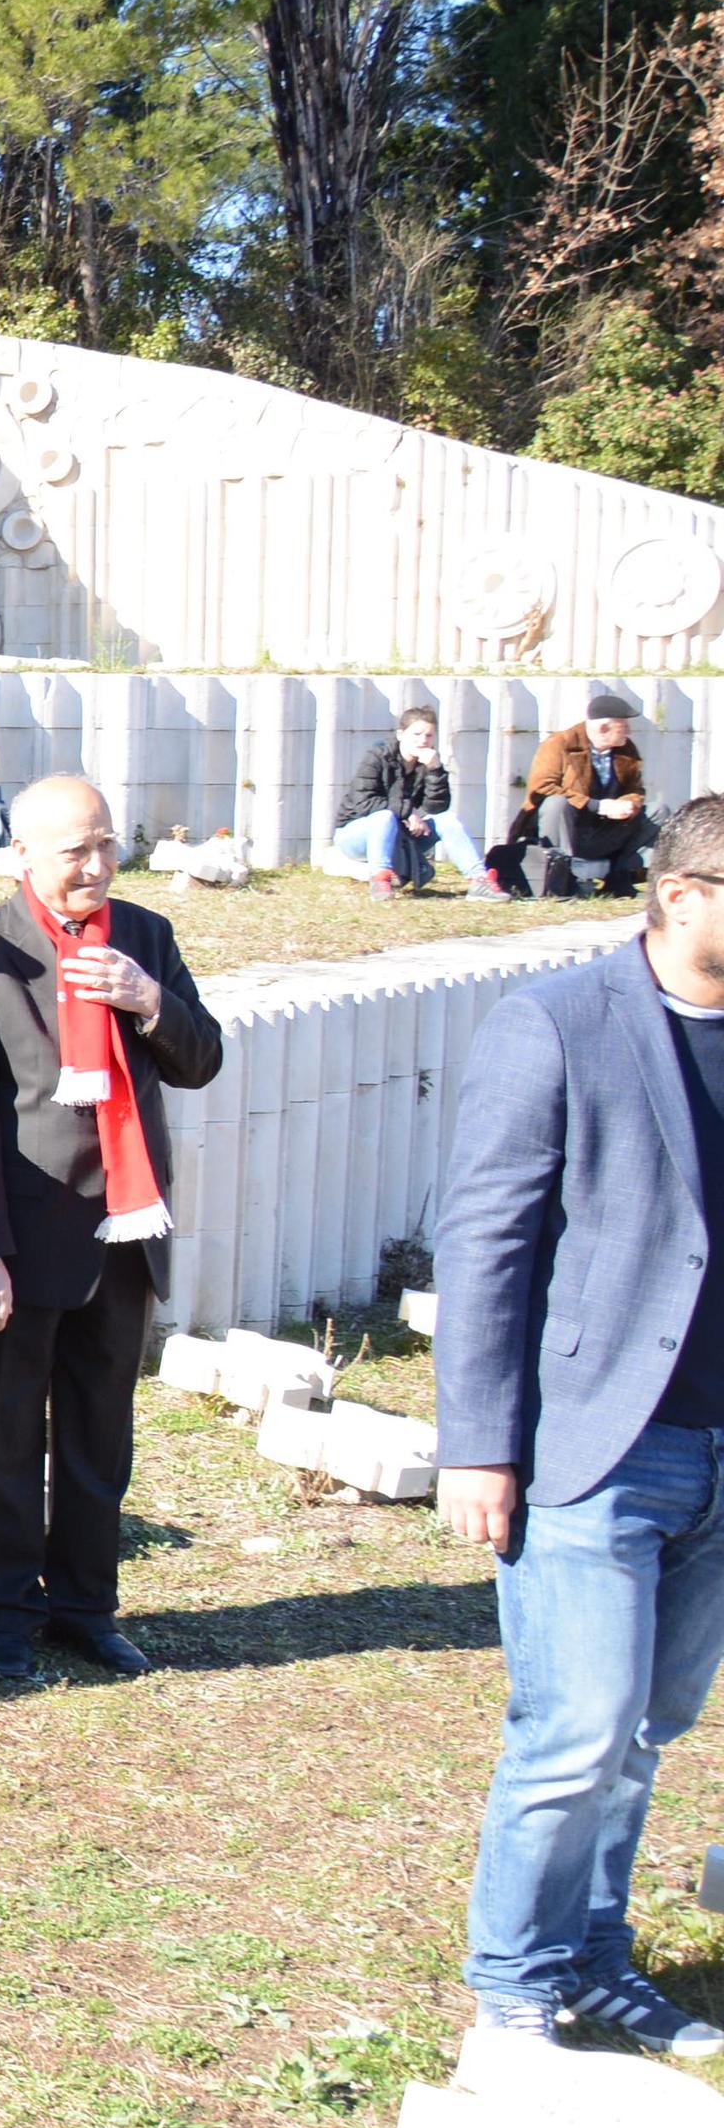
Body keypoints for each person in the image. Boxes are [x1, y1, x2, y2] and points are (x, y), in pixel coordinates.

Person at [434, 792, 724, 2057]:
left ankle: (596, 1956)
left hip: (720, 1453)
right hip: (596, 1446)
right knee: (577, 1727)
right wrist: (479, 1443)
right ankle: (511, 1979)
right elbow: (487, 1241)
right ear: (681, 894)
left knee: (647, 1731)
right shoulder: (557, 1023)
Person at [0, 773, 224, 1682]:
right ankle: (5, 1609)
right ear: (19, 856)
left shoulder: (145, 937)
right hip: (20, 1237)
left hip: (124, 1230)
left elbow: (201, 1059)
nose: (95, 866)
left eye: (105, 845)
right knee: (2, 1435)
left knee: (101, 1435)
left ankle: (87, 1606)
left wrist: (147, 1000)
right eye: (73, 851)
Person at [333, 704, 498, 898]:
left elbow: (436, 808)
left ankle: (479, 880)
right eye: (417, 734)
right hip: (356, 834)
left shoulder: (427, 762)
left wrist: (435, 771)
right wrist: (406, 814)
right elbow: (363, 802)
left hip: (399, 835)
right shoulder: (378, 757)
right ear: (401, 734)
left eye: (428, 736)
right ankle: (380, 880)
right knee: (384, 817)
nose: (423, 741)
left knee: (447, 820)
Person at [516, 692, 657, 897]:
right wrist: (597, 806)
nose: (629, 731)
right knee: (556, 803)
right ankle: (561, 877)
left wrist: (627, 804)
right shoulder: (559, 744)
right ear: (602, 728)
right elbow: (543, 788)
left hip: (605, 829)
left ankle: (620, 878)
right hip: (570, 828)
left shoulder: (626, 749)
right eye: (623, 725)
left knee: (657, 811)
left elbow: (635, 789)